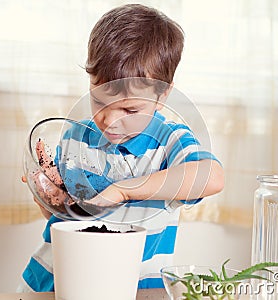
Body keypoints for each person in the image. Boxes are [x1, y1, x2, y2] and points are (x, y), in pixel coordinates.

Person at [18, 3, 224, 292]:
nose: (110, 121)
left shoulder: (170, 142)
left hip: (135, 289)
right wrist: (49, 201)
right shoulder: (76, 137)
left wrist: (123, 189)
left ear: (163, 94)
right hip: (54, 282)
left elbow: (211, 177)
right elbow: (69, 220)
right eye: (99, 101)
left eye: (130, 109)